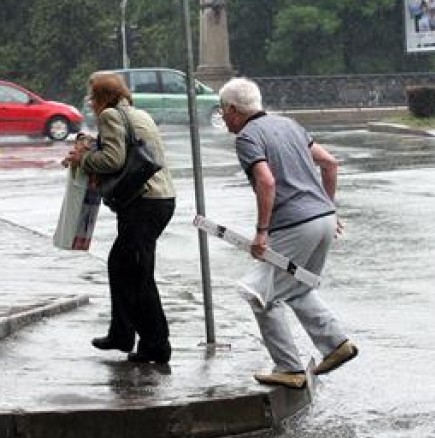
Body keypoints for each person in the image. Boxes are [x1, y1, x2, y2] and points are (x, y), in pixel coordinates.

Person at [218, 77, 358, 389]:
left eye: (223, 111)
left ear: (233, 109)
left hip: (294, 225)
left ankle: (289, 368)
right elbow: (330, 164)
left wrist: (261, 232)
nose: (223, 118)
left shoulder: (247, 137)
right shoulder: (289, 125)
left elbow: (266, 182)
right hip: (322, 220)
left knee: (259, 295)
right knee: (296, 288)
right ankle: (337, 344)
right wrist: (329, 208)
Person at [64, 73, 176, 364]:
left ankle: (154, 344)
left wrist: (83, 160)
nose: (90, 103)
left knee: (135, 273)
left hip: (144, 203)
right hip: (160, 200)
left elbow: (112, 160)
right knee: (127, 268)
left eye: (92, 97)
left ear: (101, 97)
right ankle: (126, 333)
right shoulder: (137, 113)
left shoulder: (111, 115)